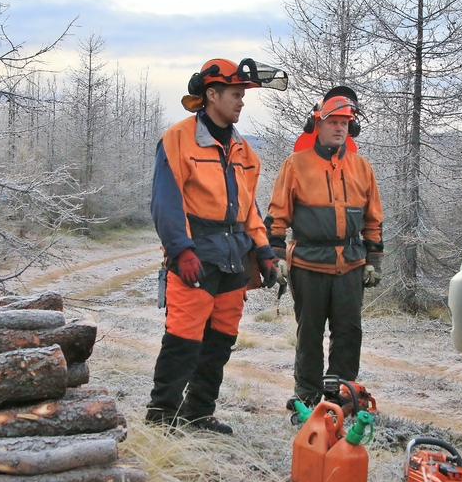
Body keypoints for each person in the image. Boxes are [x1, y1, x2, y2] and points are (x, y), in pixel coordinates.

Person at [146, 58, 288, 434]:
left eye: (243, 95)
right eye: (236, 95)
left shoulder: (245, 152)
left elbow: (249, 210)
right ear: (212, 94)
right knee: (183, 340)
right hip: (196, 255)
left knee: (220, 342)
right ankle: (160, 419)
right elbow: (166, 201)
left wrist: (265, 254)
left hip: (234, 259)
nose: (241, 102)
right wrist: (182, 250)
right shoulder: (178, 139)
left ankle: (198, 413)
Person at [265, 86, 384, 410]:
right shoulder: (295, 164)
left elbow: (373, 219)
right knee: (309, 335)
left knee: (349, 333)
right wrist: (275, 257)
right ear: (317, 124)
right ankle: (307, 395)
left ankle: (341, 395)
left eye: (346, 122)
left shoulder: (362, 168)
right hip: (307, 263)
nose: (340, 127)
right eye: (333, 121)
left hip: (350, 264)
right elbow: (277, 215)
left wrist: (374, 259)